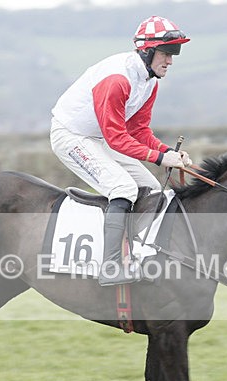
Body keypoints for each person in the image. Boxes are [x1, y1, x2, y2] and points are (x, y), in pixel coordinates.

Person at [50, 15, 192, 286]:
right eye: (168, 52)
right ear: (148, 51)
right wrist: (161, 158)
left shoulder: (150, 82)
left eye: (176, 52)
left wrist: (168, 153)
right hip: (72, 136)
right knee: (123, 189)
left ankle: (138, 255)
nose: (171, 60)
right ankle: (110, 266)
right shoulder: (117, 80)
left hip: (99, 137)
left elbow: (138, 131)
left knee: (151, 189)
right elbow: (116, 138)